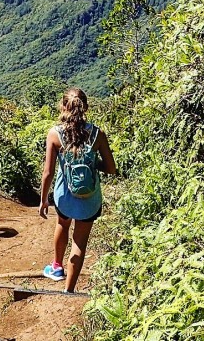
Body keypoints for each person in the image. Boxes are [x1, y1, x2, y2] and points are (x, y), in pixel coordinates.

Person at [39, 87, 116, 293]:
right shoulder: (98, 134)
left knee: (62, 224)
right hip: (89, 200)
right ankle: (69, 291)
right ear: (86, 107)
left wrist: (43, 200)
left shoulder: (55, 134)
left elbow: (48, 172)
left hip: (64, 197)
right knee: (79, 242)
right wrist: (92, 164)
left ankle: (56, 267)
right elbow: (111, 168)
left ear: (63, 107)